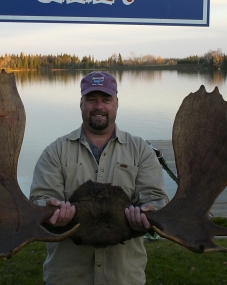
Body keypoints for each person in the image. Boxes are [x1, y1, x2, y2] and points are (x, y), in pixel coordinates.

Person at [30, 71, 169, 285]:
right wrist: (47, 210)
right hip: (66, 278)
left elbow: (157, 199)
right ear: (81, 103)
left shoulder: (140, 151)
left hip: (124, 278)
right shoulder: (55, 151)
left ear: (116, 103)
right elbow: (38, 200)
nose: (99, 106)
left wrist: (149, 215)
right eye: (91, 100)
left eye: (106, 99)